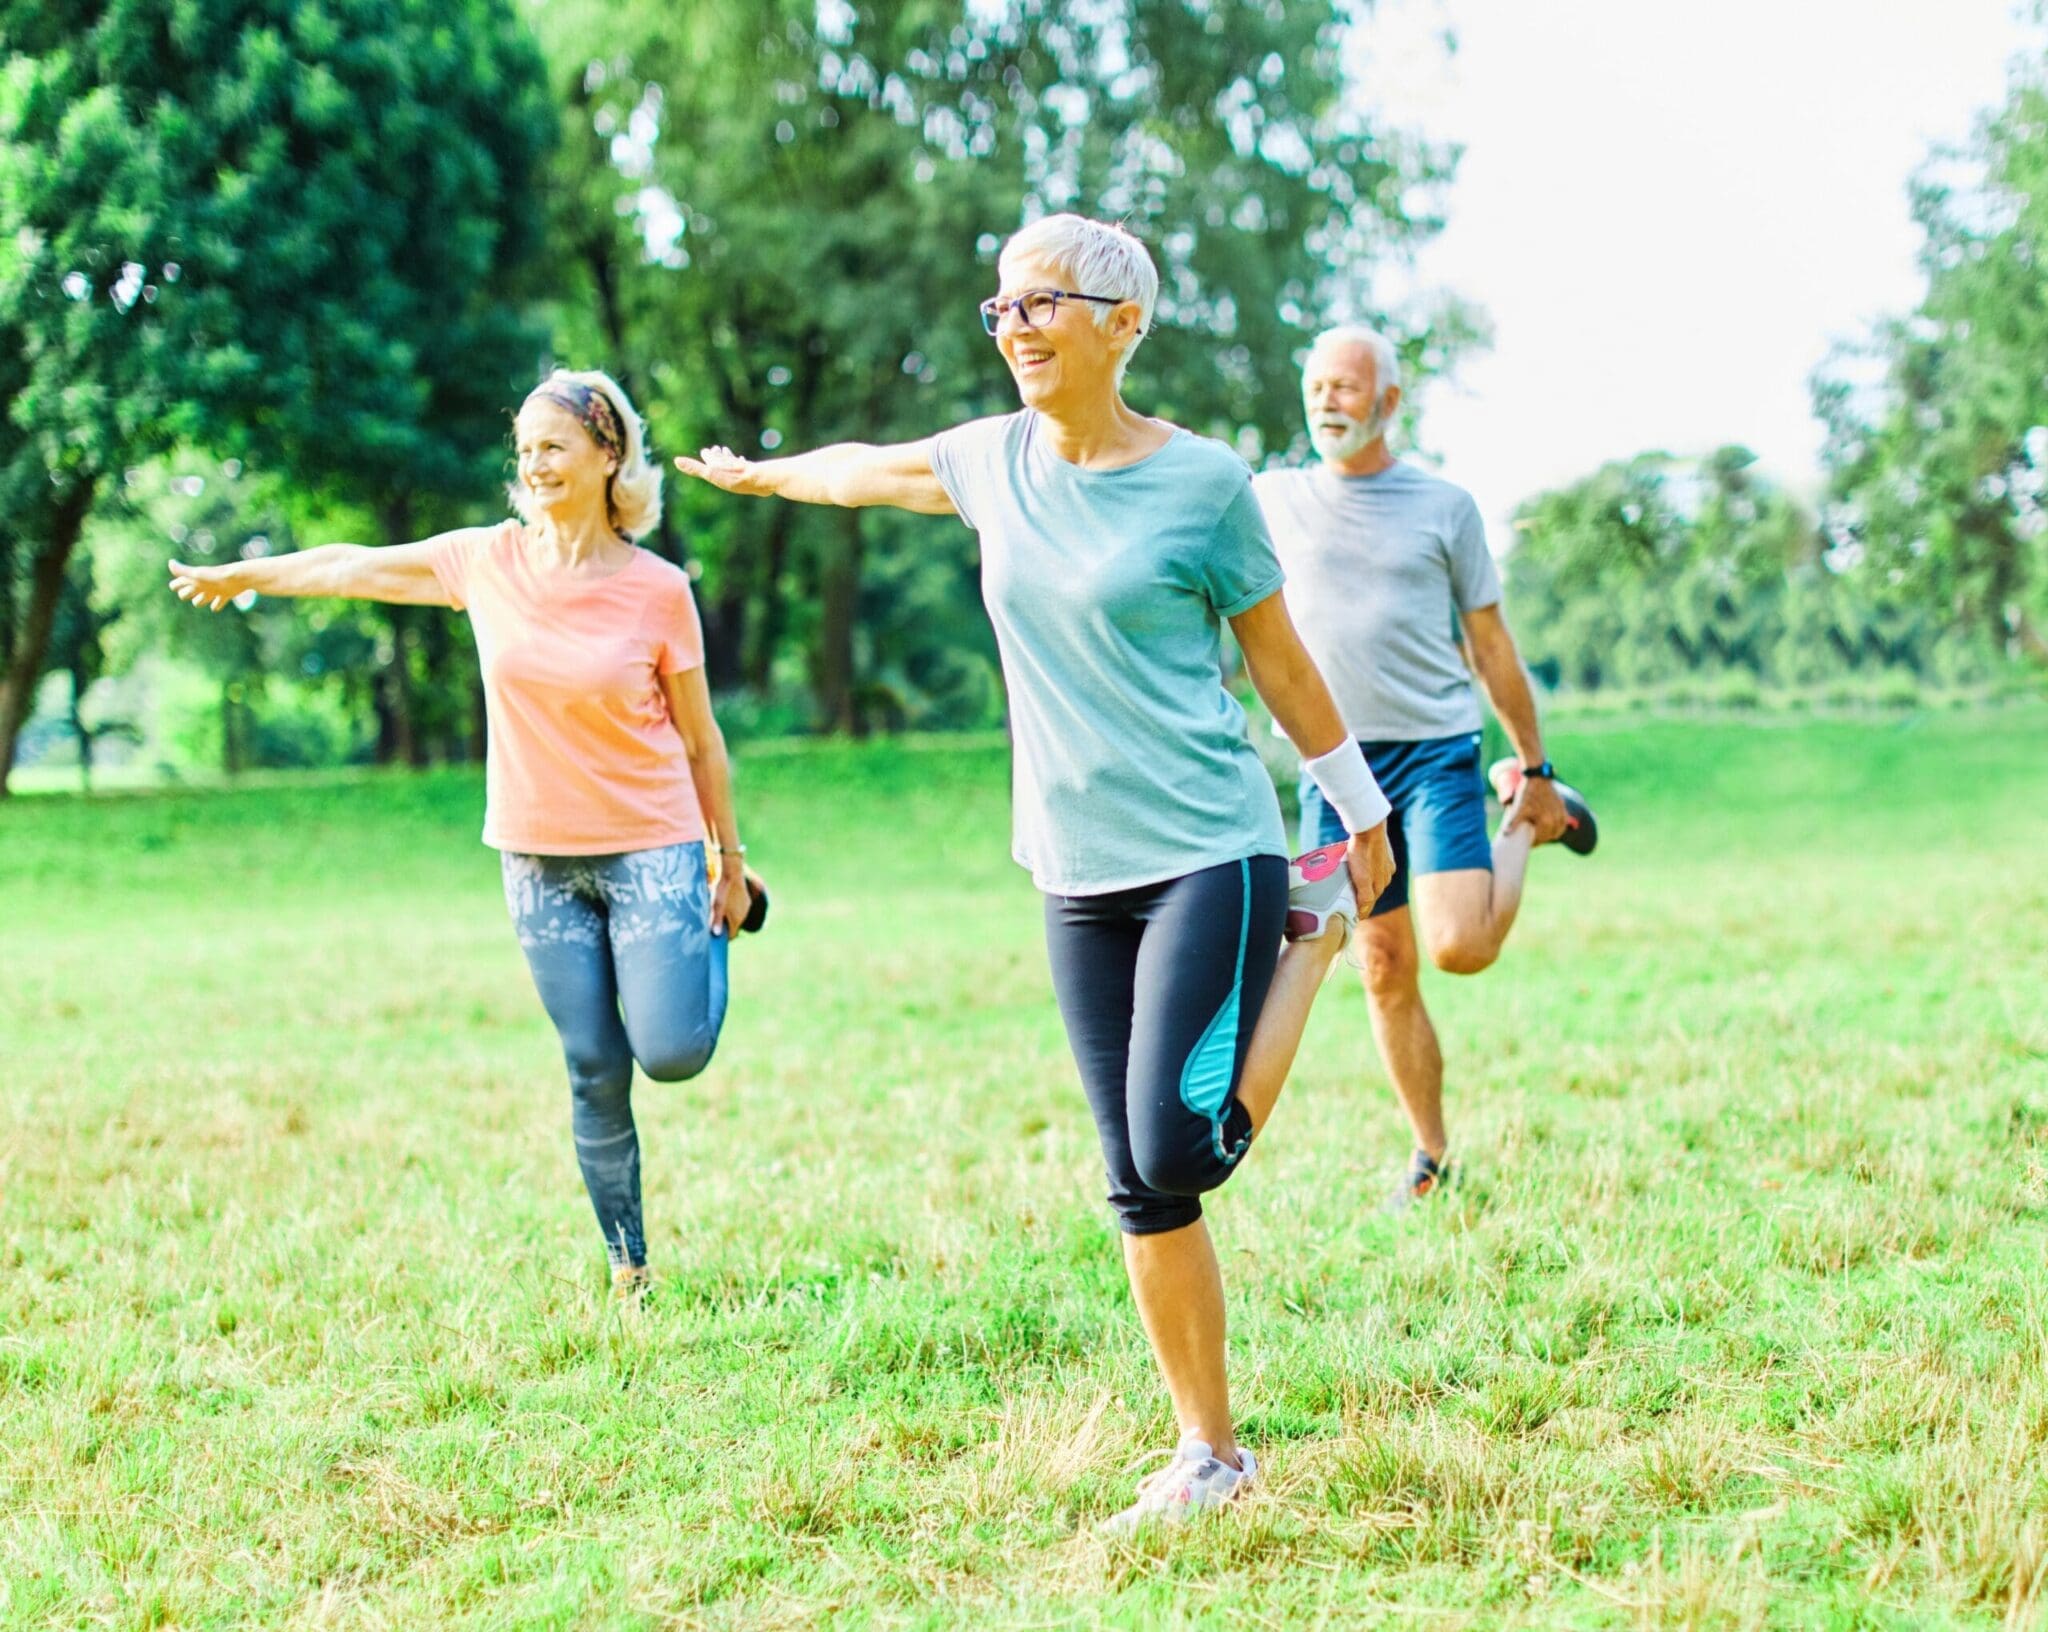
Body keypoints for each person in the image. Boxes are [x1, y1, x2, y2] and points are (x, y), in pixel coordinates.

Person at [672, 215, 1396, 1529]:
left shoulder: (1205, 485)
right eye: (1001, 308)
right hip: (1072, 867)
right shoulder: (990, 460)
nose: (1013, 327)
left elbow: (1282, 663)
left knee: (1183, 1147)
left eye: (1043, 304)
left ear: (1123, 324)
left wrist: (1356, 805)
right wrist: (767, 477)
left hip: (1206, 849)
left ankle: (1314, 933)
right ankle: (1211, 1457)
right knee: (1135, 1177)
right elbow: (869, 474)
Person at [168, 370, 766, 1304]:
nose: (534, 464)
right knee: (593, 1066)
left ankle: (722, 926)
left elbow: (699, 738)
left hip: (652, 845)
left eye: (554, 447)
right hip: (536, 860)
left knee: (670, 1051)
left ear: (609, 457)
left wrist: (727, 860)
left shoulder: (657, 590)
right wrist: (249, 575)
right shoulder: (486, 561)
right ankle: (629, 1266)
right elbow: (352, 565)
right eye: (524, 448)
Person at [1253, 326, 1597, 1211]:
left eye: (1347, 387)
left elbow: (1489, 642)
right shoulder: (1271, 499)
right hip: (1333, 766)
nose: (1328, 401)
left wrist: (1535, 761)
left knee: (1461, 947)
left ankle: (1525, 814)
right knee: (1381, 964)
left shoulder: (1445, 506)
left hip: (1436, 749)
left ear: (1391, 403)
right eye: (1317, 386)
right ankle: (1432, 1154)